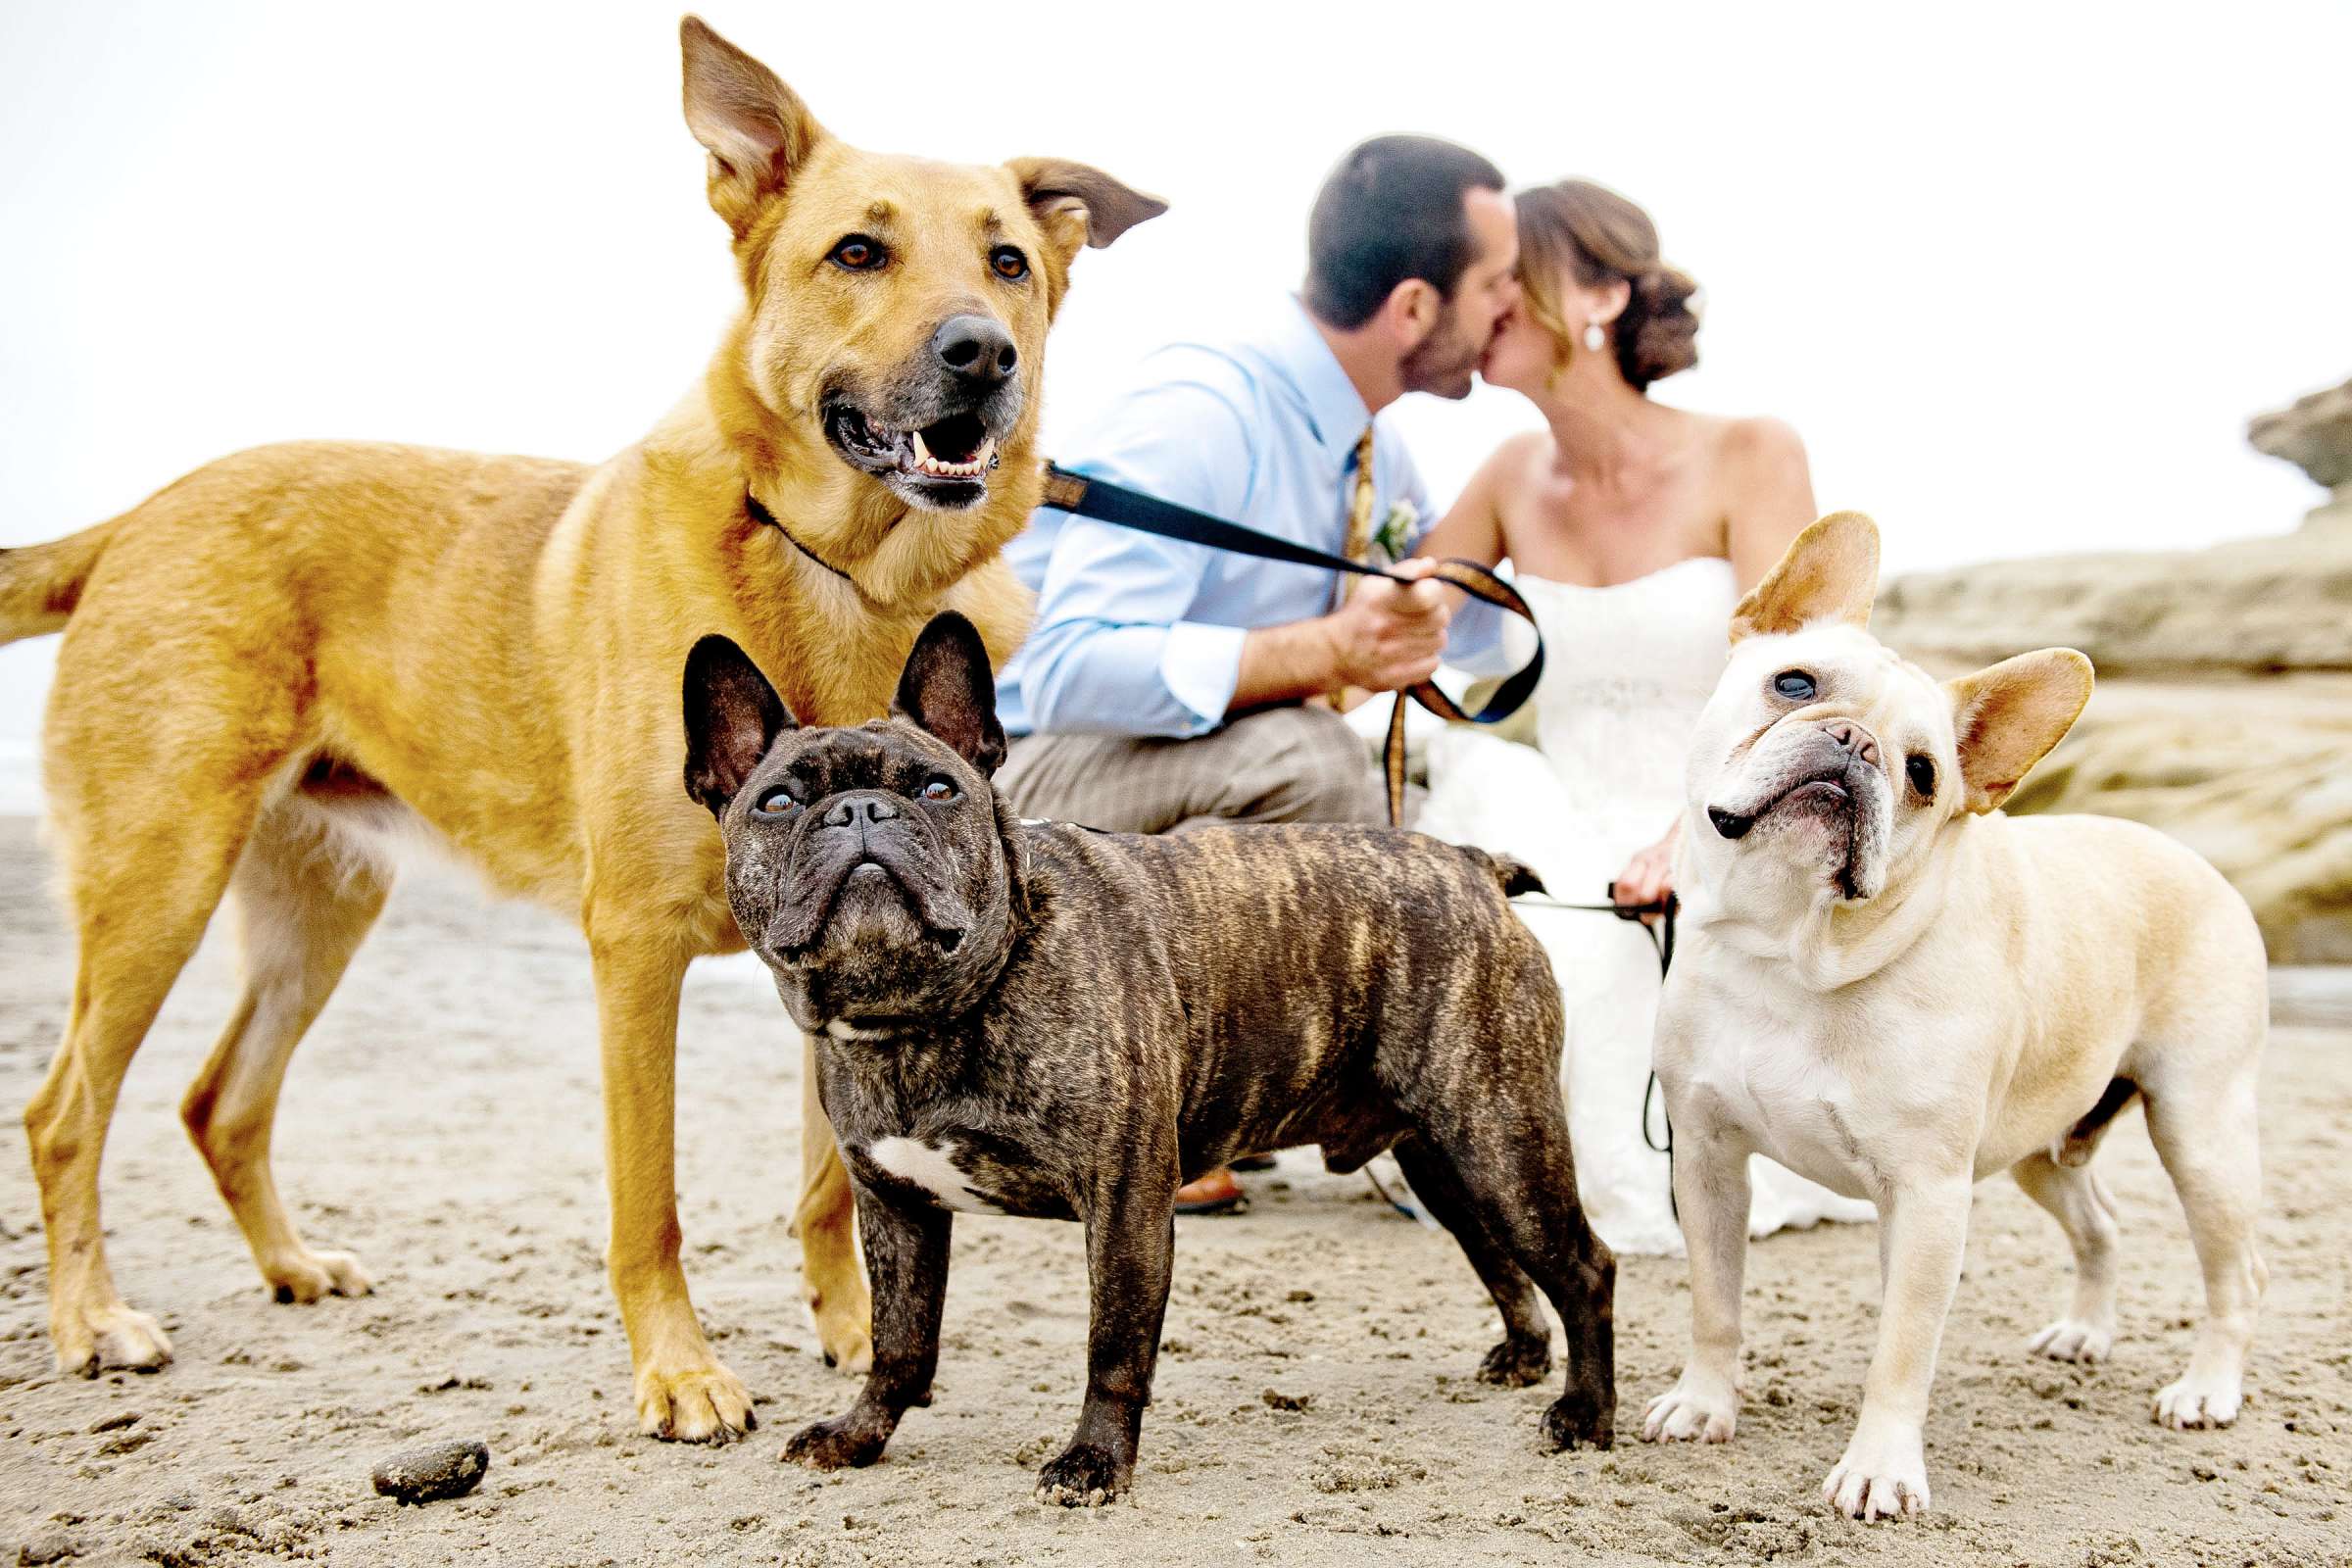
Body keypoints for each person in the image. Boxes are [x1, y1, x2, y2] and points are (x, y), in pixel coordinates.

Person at [996, 135, 1521, 1211]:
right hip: (1021, 799)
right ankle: (1157, 1107)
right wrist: (1328, 651)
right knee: (1314, 767)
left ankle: (1264, 1088)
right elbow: (1063, 666)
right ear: (1416, 309)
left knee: (1423, 795)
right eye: (1498, 287)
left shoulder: (1374, 446)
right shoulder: (1208, 410)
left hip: (1151, 789)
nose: (1511, 311)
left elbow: (1459, 633)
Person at [1414, 178, 1875, 1254]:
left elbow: (1807, 677)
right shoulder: (1507, 472)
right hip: (1561, 809)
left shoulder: (1750, 451)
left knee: (1613, 957)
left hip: (1717, 809)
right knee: (1508, 907)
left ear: (1601, 295)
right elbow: (1387, 629)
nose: (1481, 303)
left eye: (1502, 277)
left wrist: (1695, 829)